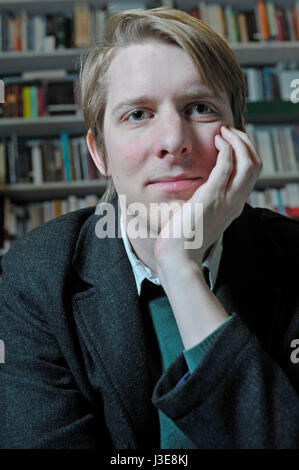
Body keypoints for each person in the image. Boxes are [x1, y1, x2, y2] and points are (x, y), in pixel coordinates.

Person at [0, 7, 299, 449]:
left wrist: (180, 268)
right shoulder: (35, 276)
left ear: (239, 134)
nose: (173, 141)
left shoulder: (293, 256)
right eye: (138, 114)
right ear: (99, 152)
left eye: (199, 108)